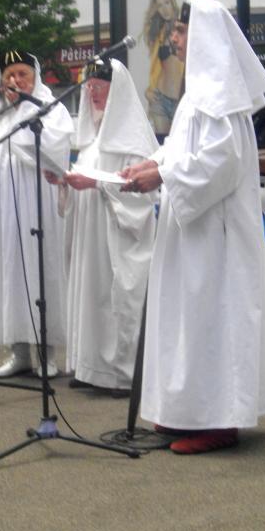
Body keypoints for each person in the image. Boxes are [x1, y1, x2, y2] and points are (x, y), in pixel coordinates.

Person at [120, 0, 265, 454]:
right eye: (174, 31)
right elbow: (181, 151)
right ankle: (187, 412)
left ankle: (219, 419)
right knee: (188, 321)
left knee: (212, 320)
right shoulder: (198, 95)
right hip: (191, 232)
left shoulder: (221, 98)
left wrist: (164, 174)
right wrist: (150, 165)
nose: (174, 38)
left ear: (205, 37)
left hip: (216, 238)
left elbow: (220, 163)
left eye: (183, 32)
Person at [0, 50, 74, 378]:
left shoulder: (52, 112)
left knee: (40, 276)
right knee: (7, 279)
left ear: (34, 78)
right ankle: (19, 353)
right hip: (0, 216)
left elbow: (51, 151)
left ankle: (46, 354)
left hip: (39, 212)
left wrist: (23, 120)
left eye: (21, 74)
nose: (14, 81)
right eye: (8, 75)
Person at [61, 58, 157, 394]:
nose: (92, 92)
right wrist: (65, 183)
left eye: (99, 87)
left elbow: (145, 193)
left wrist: (97, 185)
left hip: (117, 236)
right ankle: (91, 367)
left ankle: (119, 374)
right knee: (90, 296)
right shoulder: (92, 138)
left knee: (112, 299)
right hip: (91, 233)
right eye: (89, 87)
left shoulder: (135, 140)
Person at [141, 0, 185, 138]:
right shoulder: (158, 33)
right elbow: (155, 67)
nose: (165, 9)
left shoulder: (185, 29)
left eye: (166, 3)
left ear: (172, 2)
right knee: (161, 146)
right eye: (159, 5)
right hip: (160, 99)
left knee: (179, 145)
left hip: (181, 100)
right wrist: (149, 90)